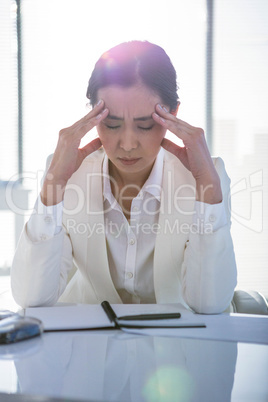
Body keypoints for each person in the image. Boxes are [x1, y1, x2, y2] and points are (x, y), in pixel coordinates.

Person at [11, 40, 237, 313]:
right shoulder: (68, 174)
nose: (127, 144)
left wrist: (207, 191)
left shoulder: (205, 178)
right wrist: (53, 186)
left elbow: (209, 304)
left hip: (172, 346)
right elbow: (31, 298)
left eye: (145, 125)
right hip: (88, 343)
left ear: (173, 115)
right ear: (92, 117)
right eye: (112, 124)